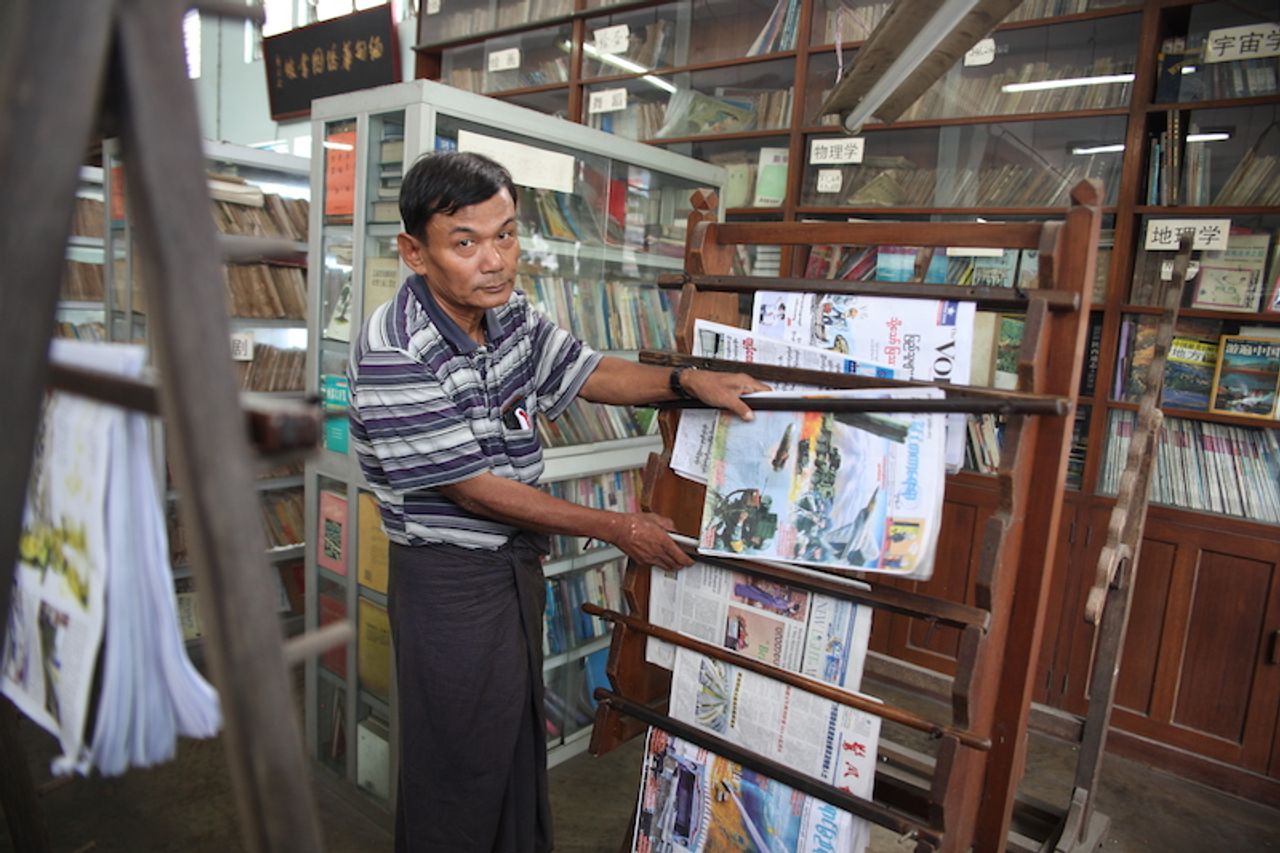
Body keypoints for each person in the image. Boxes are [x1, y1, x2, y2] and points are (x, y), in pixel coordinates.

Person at [347, 150, 770, 853]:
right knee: (457, 768)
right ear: (414, 253)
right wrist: (618, 526)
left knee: (514, 747)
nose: (495, 261)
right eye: (465, 243)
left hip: (513, 565)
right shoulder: (394, 351)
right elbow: (474, 490)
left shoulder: (507, 313)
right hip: (448, 582)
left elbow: (586, 370)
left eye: (506, 235)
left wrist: (686, 381)